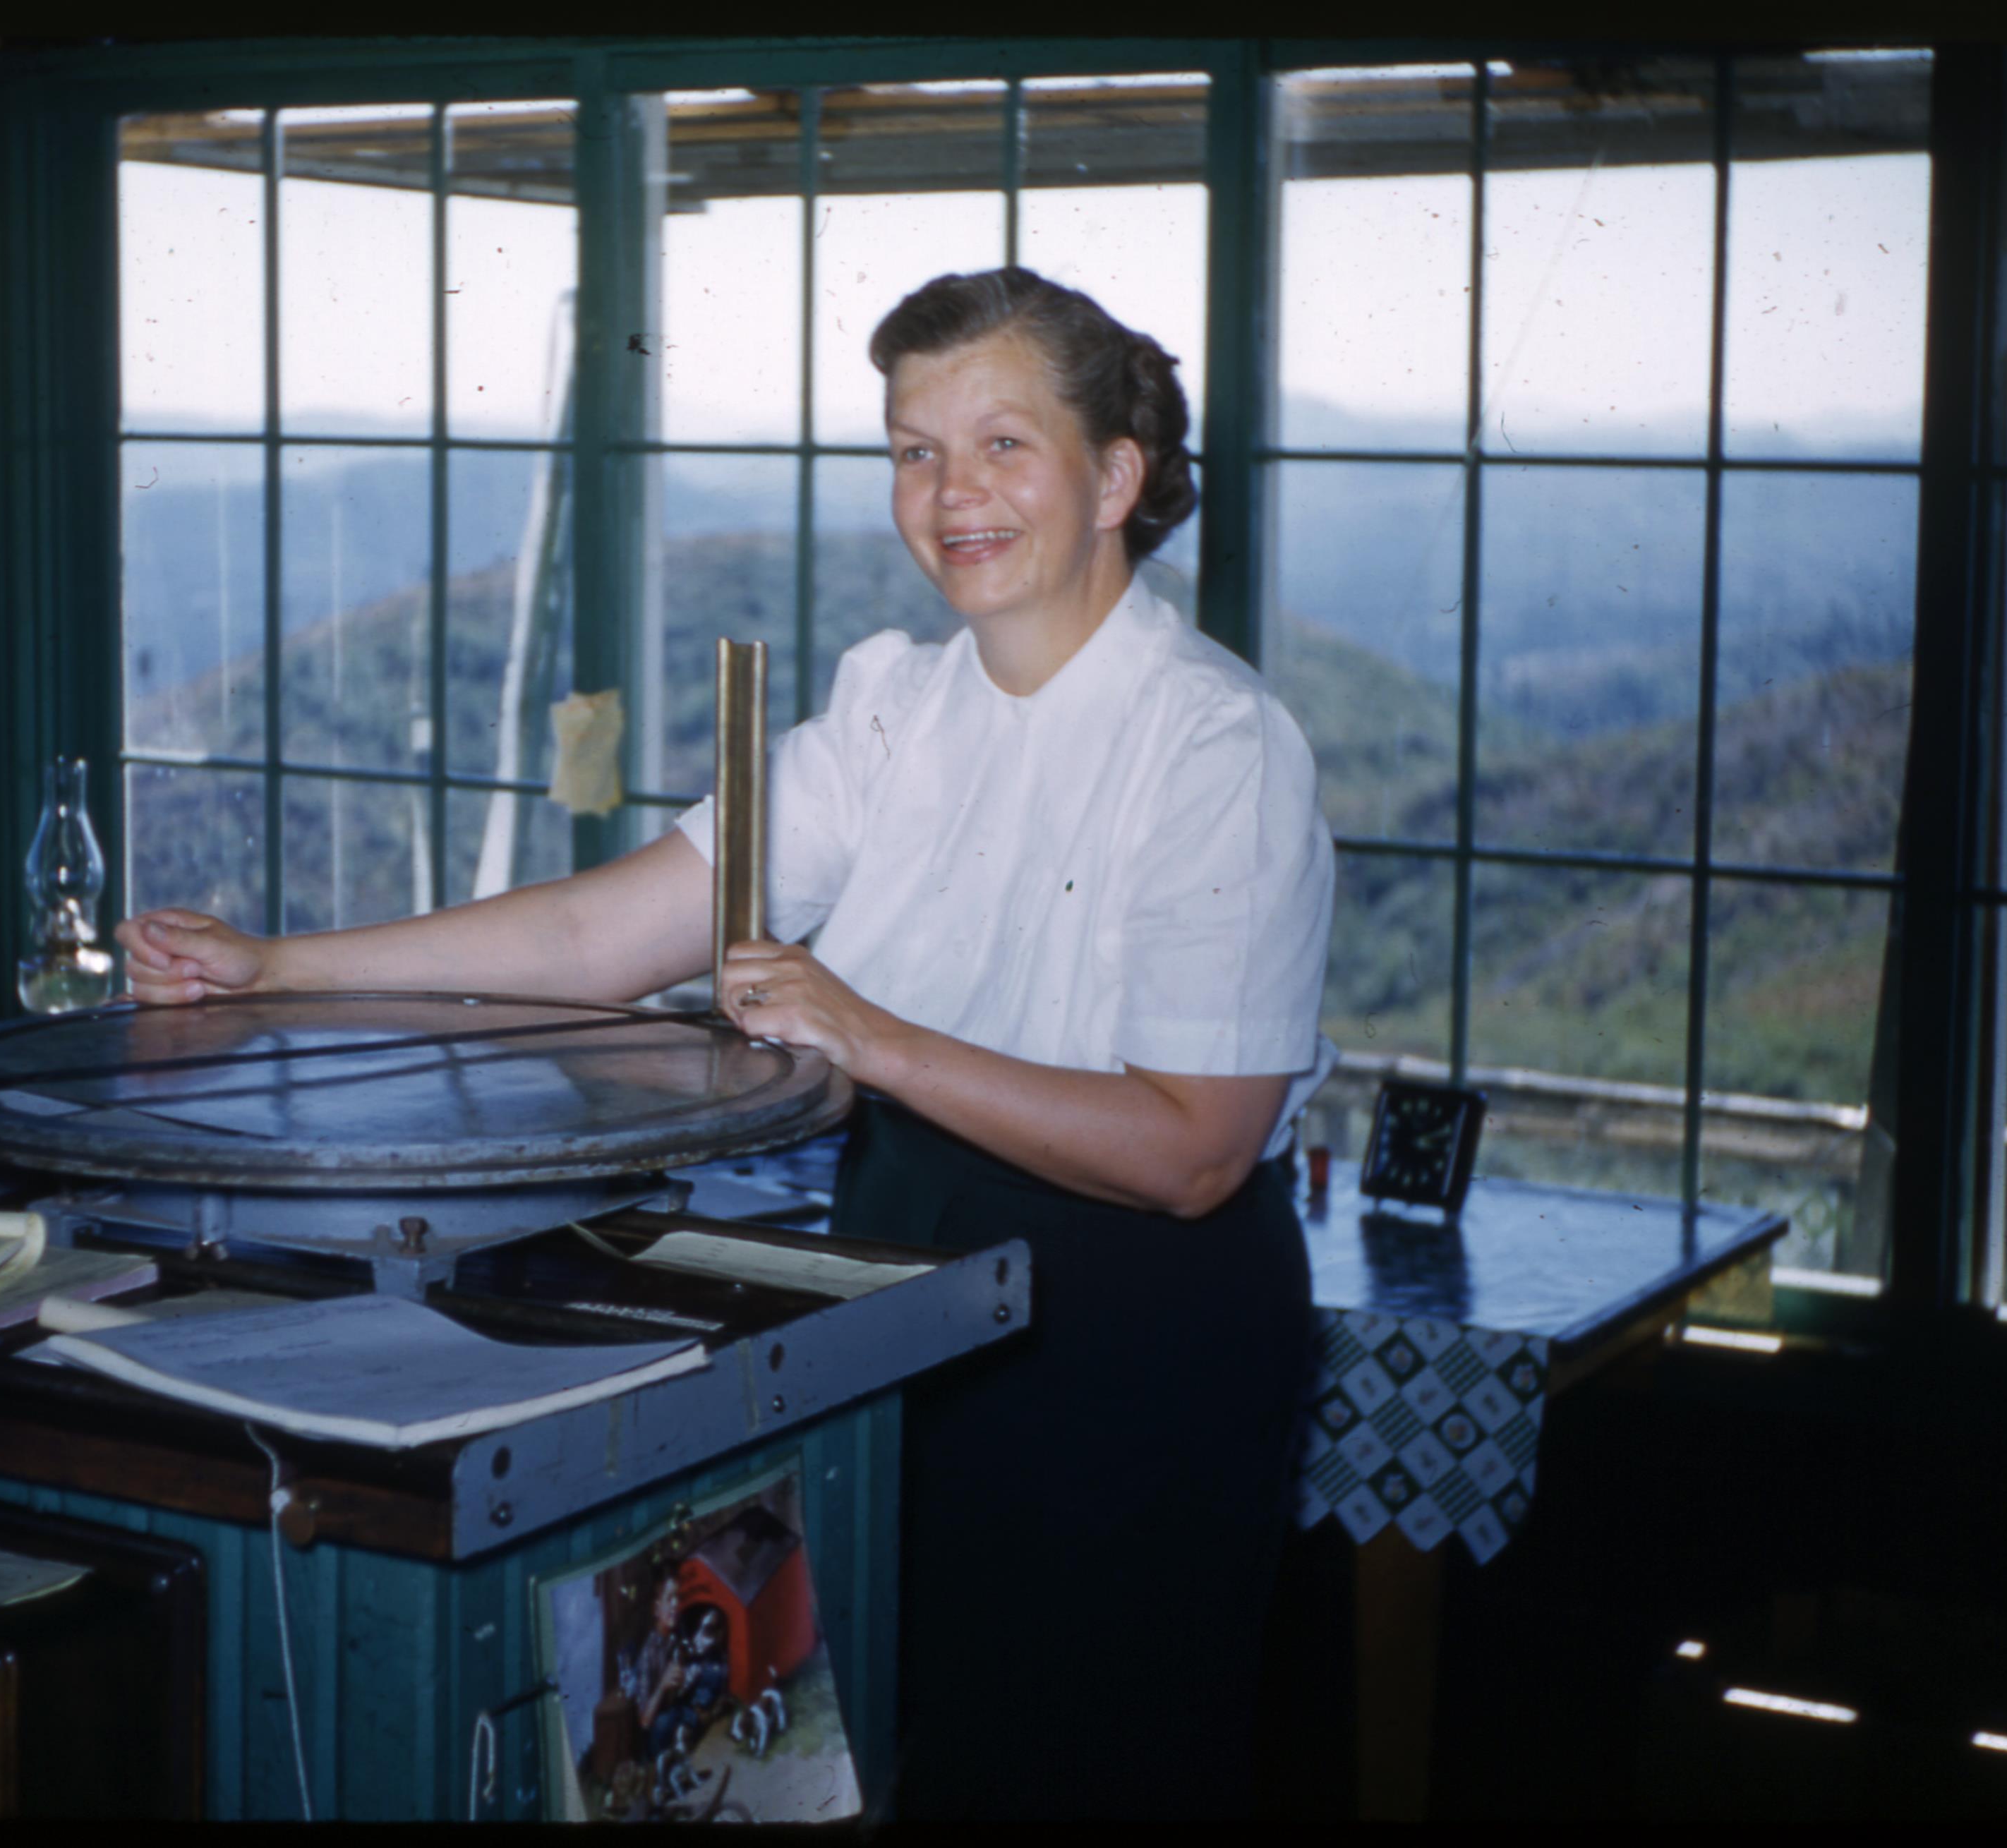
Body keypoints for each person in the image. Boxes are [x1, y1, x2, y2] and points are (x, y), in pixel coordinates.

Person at [118, 265, 1336, 1819]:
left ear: (1118, 477)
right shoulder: (896, 707)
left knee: (1075, 1770)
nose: (951, 493)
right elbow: (592, 940)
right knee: (879, 1754)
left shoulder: (1216, 746)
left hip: (1128, 1340)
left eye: (1003, 446)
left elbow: (1191, 1148)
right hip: (904, 1289)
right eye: (913, 449)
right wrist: (273, 967)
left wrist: (866, 1032)